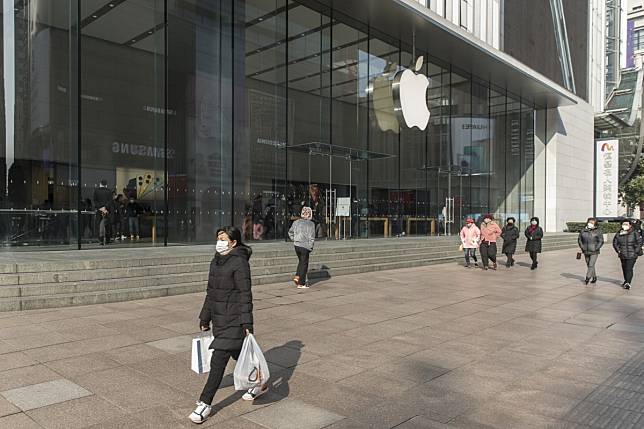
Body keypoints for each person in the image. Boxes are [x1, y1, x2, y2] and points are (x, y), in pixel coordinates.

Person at [190, 226, 265, 424]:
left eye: (223, 239)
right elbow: (211, 292)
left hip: (234, 320)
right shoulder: (215, 261)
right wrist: (205, 317)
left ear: (233, 242)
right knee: (238, 354)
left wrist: (247, 322)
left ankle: (204, 403)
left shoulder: (239, 262)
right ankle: (259, 381)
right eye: (218, 238)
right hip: (219, 319)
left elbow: (244, 295)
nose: (219, 242)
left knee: (218, 361)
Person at [289, 206, 316, 289]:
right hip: (305, 246)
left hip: (296, 245)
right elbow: (312, 237)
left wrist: (295, 239)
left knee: (301, 261)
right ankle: (301, 283)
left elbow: (290, 232)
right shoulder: (311, 224)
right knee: (304, 264)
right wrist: (310, 247)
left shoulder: (296, 222)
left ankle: (297, 277)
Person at [613, 219, 643, 290]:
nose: (625, 226)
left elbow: (639, 242)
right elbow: (615, 242)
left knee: (629, 268)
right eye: (623, 224)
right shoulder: (619, 233)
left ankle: (628, 283)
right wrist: (618, 250)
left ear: (630, 225)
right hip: (622, 254)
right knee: (624, 268)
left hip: (632, 254)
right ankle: (626, 280)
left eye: (626, 224)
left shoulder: (635, 232)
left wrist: (636, 251)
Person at [578, 217, 604, 285]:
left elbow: (601, 241)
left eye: (592, 223)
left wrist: (596, 248)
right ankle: (594, 277)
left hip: (594, 251)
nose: (590, 224)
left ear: (595, 224)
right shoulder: (583, 230)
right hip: (585, 250)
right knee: (589, 265)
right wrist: (582, 246)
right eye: (589, 222)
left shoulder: (598, 231)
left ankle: (587, 277)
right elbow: (580, 239)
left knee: (591, 264)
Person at [93, 180, 112, 245]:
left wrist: (100, 208)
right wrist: (105, 208)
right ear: (106, 184)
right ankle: (107, 240)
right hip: (107, 210)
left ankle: (100, 240)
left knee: (99, 225)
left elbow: (95, 201)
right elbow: (110, 201)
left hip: (99, 211)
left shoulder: (96, 191)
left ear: (100, 184)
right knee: (107, 225)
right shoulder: (109, 191)